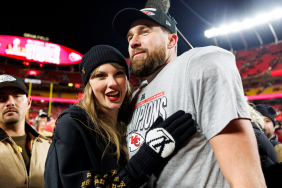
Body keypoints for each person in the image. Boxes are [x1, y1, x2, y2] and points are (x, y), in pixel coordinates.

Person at [112, 7, 266, 187]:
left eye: (144, 31)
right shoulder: (134, 97)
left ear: (171, 40)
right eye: (130, 37)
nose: (133, 42)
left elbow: (246, 180)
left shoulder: (198, 63)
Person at [44, 45, 196, 188]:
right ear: (89, 85)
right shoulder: (72, 122)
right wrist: (144, 160)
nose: (112, 83)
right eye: (100, 76)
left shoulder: (130, 118)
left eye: (119, 73)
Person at [0, 74, 50, 187]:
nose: (10, 103)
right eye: (1, 98)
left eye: (17, 96)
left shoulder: (46, 145)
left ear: (28, 103)